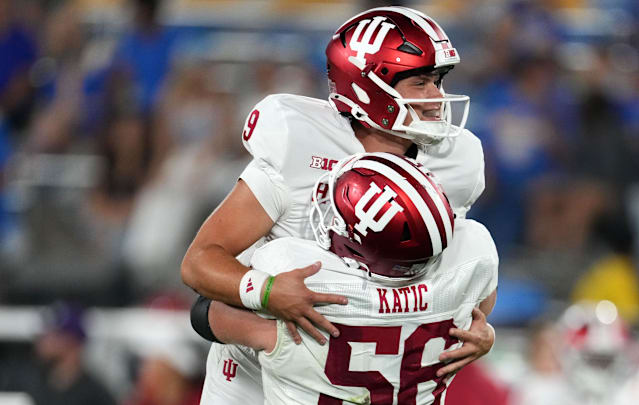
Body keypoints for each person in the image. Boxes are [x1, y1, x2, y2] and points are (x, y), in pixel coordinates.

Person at [182, 6, 492, 402]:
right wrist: (267, 290)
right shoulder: (300, 148)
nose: (437, 98)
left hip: (371, 360)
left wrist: (481, 330)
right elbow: (201, 261)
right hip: (260, 371)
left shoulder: (456, 161)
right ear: (369, 87)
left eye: (438, 81)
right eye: (421, 83)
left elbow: (458, 281)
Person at [200, 153, 498, 404]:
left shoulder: (308, 282)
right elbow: (478, 315)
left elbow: (205, 315)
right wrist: (487, 337)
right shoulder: (471, 258)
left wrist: (266, 293)